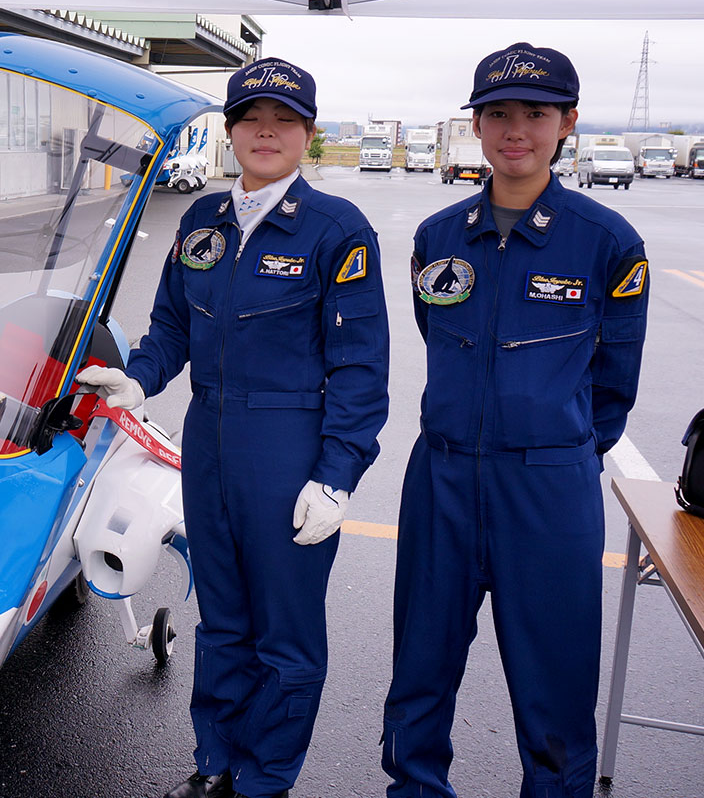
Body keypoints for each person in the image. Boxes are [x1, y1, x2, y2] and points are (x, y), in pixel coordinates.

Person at [78, 58, 389, 798]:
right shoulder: (203, 220)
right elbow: (170, 328)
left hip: (289, 447)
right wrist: (138, 377)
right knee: (221, 619)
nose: (266, 131)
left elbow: (360, 368)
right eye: (252, 118)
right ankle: (215, 761)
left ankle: (265, 776)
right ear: (232, 131)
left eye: (284, 119)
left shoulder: (336, 230)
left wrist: (336, 474)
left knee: (285, 632)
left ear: (307, 135)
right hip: (209, 437)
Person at [382, 43, 650, 798]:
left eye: (536, 113)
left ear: (567, 122)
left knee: (556, 688)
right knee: (420, 671)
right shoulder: (438, 236)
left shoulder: (607, 242)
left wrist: (551, 446)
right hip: (440, 478)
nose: (516, 130)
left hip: (548, 486)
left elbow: (614, 386)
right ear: (475, 123)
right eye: (498, 112)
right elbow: (436, 335)